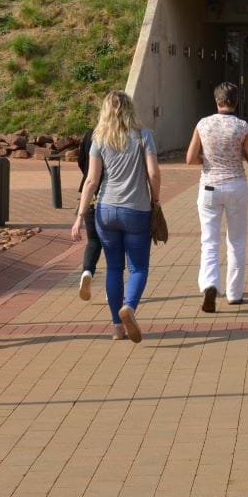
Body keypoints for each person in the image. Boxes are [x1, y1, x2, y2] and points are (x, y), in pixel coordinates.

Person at [70, 91, 161, 342]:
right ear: (131, 109)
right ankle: (129, 307)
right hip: (136, 210)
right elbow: (153, 174)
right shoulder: (144, 136)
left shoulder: (99, 138)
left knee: (113, 268)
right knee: (138, 267)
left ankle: (116, 328)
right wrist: (156, 200)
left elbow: (91, 180)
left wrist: (79, 216)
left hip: (106, 210)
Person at [185, 81, 248, 310]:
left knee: (209, 240)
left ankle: (210, 283)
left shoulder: (202, 124)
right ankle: (234, 293)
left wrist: (206, 161)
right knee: (236, 241)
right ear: (236, 101)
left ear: (216, 101)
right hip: (236, 186)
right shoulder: (242, 127)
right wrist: (240, 157)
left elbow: (189, 158)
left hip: (209, 187)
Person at [73, 129, 100, 301]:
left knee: (93, 241)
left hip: (90, 195)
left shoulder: (90, 133)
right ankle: (112, 290)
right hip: (111, 196)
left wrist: (88, 173)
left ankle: (87, 271)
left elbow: (81, 160)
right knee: (115, 247)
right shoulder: (121, 133)